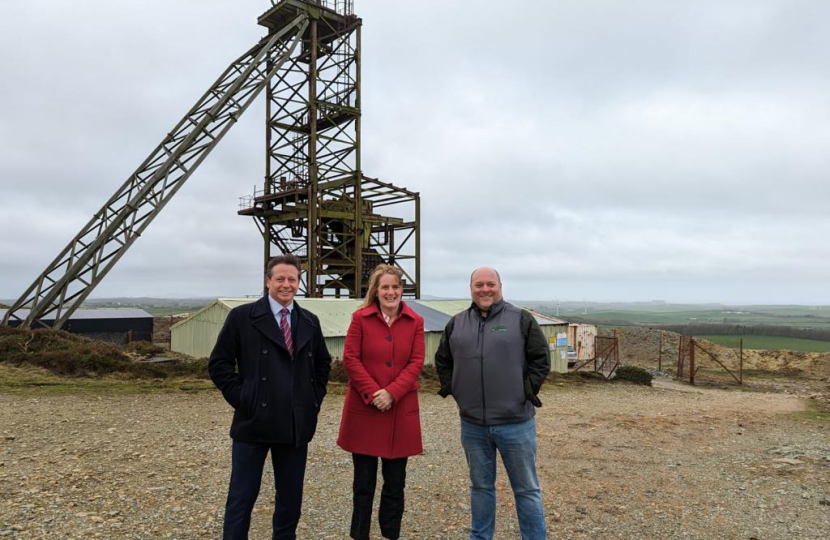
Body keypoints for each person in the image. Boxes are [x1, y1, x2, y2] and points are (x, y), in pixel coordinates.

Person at [209, 254, 332, 540]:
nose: (286, 285)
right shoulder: (243, 317)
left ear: (299, 282)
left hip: (294, 423)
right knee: (242, 497)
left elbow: (323, 365)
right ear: (268, 281)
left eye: (292, 279)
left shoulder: (309, 321)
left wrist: (312, 401)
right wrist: (245, 398)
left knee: (290, 500)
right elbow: (219, 364)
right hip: (253, 423)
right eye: (280, 279)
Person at [434, 267, 551, 540]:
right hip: (473, 424)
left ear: (500, 286)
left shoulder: (521, 319)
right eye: (479, 285)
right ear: (471, 288)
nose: (485, 289)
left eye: (490, 284)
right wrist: (456, 390)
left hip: (516, 423)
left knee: (527, 490)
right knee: (480, 488)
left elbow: (540, 359)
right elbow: (443, 361)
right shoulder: (457, 323)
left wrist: (525, 391)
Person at [337, 264, 425, 540]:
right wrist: (375, 393)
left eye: (395, 287)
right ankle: (359, 534)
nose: (391, 292)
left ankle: (390, 534)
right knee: (363, 484)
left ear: (402, 290)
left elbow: (416, 361)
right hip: (365, 408)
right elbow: (350, 359)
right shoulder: (360, 318)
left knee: (395, 483)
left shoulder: (416, 321)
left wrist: (392, 393)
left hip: (399, 410)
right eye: (385, 287)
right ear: (376, 291)